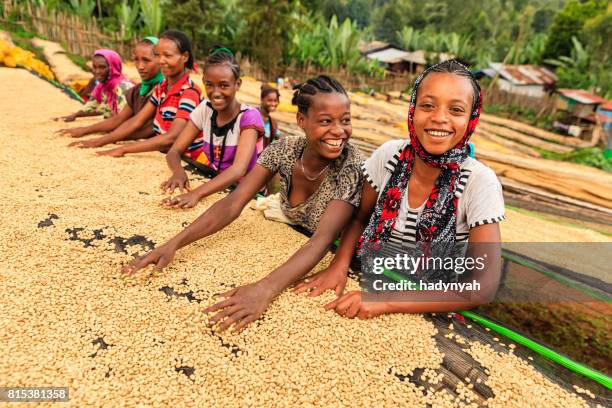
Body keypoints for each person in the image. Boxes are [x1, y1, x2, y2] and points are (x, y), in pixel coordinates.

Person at [124, 75, 364, 332]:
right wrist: (174, 243)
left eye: (345, 120)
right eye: (326, 121)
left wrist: (265, 289)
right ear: (302, 121)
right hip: (292, 227)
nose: (339, 131)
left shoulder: (351, 166)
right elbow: (233, 203)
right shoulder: (284, 150)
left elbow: (322, 239)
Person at [295, 60, 504, 319]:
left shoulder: (479, 182)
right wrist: (339, 264)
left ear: (472, 118)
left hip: (429, 305)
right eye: (428, 105)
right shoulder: (389, 156)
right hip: (365, 278)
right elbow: (360, 216)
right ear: (413, 108)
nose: (439, 118)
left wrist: (385, 302)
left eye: (456, 110)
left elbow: (483, 287)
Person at [158, 47, 265, 208]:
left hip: (247, 193)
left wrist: (196, 193)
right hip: (215, 183)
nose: (215, 93)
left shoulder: (249, 117)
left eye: (223, 85)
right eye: (209, 85)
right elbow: (174, 151)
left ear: (237, 84)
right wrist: (178, 172)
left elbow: (238, 170)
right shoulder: (205, 109)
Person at [69, 30, 201, 157]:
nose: (161, 61)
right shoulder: (162, 88)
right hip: (165, 150)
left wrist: (123, 149)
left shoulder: (189, 92)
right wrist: (98, 142)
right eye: (158, 55)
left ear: (185, 57)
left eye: (167, 56)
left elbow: (171, 138)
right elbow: (136, 121)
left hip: (184, 155)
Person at [58, 37, 163, 139]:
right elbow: (117, 117)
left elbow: (143, 126)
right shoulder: (137, 90)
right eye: (136, 59)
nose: (140, 66)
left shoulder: (162, 90)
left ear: (160, 60)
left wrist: (108, 138)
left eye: (146, 60)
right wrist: (83, 127)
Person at [55, 49, 134, 122]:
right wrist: (75, 115)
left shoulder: (123, 87)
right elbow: (92, 105)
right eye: (94, 67)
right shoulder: (103, 86)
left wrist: (85, 130)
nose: (97, 71)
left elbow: (123, 119)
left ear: (113, 68)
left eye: (102, 67)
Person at [259, 84, 280, 149]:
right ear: (262, 99)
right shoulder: (254, 116)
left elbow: (278, 141)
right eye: (270, 100)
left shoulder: (273, 122)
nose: (273, 104)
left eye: (275, 100)